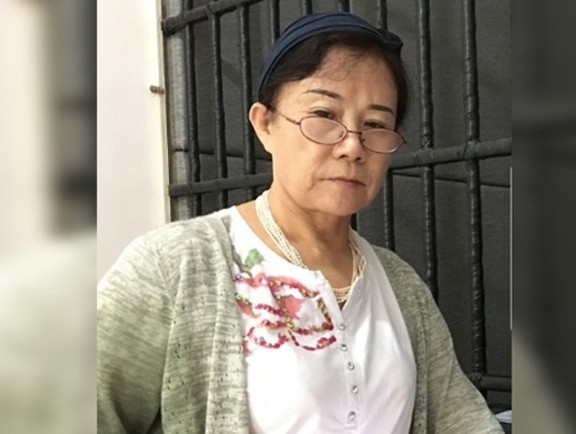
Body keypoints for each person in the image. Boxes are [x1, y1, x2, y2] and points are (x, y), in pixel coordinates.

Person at [97, 11, 504, 434]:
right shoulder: (175, 265)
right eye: (324, 114)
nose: (352, 145)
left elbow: (462, 420)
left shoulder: (400, 287)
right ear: (265, 124)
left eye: (375, 124)